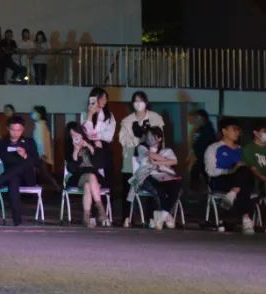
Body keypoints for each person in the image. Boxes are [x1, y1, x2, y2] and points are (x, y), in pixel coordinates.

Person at [0, 115, 39, 226]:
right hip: (9, 178)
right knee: (13, 179)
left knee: (22, 166)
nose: (16, 133)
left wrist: (25, 155)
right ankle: (17, 220)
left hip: (27, 178)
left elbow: (37, 162)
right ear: (8, 128)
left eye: (19, 130)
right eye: (13, 130)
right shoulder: (1, 144)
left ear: (23, 129)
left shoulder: (29, 142)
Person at [118, 91, 165, 225]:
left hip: (150, 161)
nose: (139, 104)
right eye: (136, 101)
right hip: (131, 160)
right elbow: (123, 140)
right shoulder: (127, 121)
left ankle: (151, 218)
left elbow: (160, 138)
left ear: (146, 102)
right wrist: (139, 141)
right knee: (129, 188)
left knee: (152, 187)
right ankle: (127, 218)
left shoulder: (155, 118)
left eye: (141, 101)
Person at [204, 118, 256, 235]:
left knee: (244, 171)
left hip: (241, 181)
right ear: (224, 131)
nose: (237, 133)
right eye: (234, 129)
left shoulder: (242, 150)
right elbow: (210, 171)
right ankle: (246, 219)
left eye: (238, 130)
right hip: (222, 179)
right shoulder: (213, 148)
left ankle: (233, 193)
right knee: (243, 181)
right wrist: (230, 170)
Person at [128, 126, 183, 230]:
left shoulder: (167, 150)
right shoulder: (141, 147)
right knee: (161, 189)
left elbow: (174, 162)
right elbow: (150, 155)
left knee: (176, 185)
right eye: (148, 136)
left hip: (165, 176)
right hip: (147, 176)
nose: (150, 138)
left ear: (159, 138)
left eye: (153, 136)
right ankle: (166, 215)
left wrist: (157, 163)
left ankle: (162, 214)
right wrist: (165, 161)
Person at [66, 120, 109, 228]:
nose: (76, 137)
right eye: (72, 135)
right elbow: (71, 169)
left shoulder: (93, 143)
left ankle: (86, 218)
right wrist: (75, 151)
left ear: (82, 133)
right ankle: (101, 210)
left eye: (77, 134)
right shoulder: (70, 146)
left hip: (94, 176)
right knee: (90, 176)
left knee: (87, 185)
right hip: (79, 176)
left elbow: (100, 164)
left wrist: (90, 147)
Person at [29, 106, 59, 190]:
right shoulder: (41, 125)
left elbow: (41, 142)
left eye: (34, 112)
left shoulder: (41, 126)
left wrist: (41, 154)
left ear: (39, 114)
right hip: (40, 154)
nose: (32, 114)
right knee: (42, 173)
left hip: (41, 155)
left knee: (45, 174)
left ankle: (57, 187)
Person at [187, 109, 215, 190]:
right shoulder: (199, 129)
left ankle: (210, 191)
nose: (195, 120)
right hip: (200, 158)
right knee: (196, 173)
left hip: (205, 158)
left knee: (198, 173)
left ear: (202, 118)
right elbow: (195, 143)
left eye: (197, 118)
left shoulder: (208, 130)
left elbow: (204, 145)